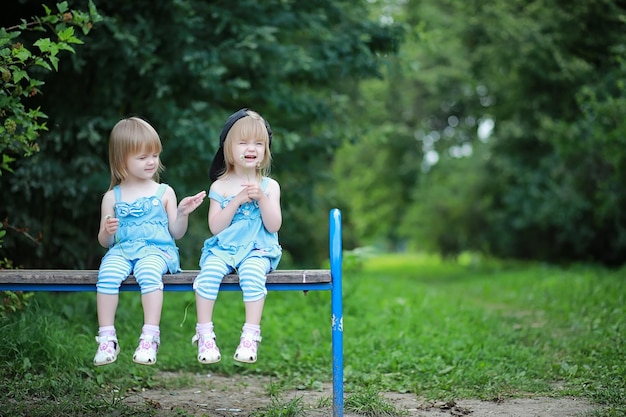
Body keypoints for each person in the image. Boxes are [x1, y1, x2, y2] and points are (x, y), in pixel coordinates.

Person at [94, 116, 206, 366]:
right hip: (122, 251)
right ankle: (106, 337)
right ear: (122, 160)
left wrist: (183, 213)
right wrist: (108, 230)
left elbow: (175, 233)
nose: (151, 162)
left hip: (157, 251)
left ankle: (150, 336)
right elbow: (105, 241)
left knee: (148, 272)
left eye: (154, 155)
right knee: (107, 274)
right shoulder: (112, 197)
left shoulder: (164, 192)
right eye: (142, 157)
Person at [192, 108, 282, 364]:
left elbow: (274, 225)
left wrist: (262, 198)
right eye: (242, 142)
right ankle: (205, 335)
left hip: (258, 250)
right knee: (207, 275)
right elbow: (216, 227)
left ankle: (250, 335)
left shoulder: (269, 186)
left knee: (253, 275)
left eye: (258, 143)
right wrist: (238, 200)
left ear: (265, 150)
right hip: (224, 249)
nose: (250, 148)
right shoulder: (220, 186)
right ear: (228, 149)